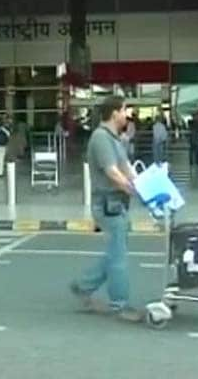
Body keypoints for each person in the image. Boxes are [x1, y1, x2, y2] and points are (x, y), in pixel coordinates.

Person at [70, 96, 142, 323]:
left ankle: (83, 286)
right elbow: (112, 172)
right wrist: (132, 189)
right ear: (114, 113)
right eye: (124, 111)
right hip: (108, 205)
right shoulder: (101, 138)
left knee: (115, 251)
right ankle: (119, 304)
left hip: (117, 204)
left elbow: (126, 167)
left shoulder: (115, 139)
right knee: (118, 256)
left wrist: (144, 185)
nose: (126, 115)